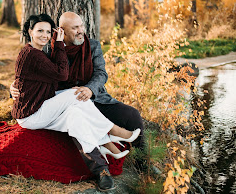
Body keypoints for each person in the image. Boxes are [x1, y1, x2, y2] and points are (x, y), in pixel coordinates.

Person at [12, 14, 141, 192]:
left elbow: (101, 74)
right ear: (62, 31)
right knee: (75, 97)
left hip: (90, 98)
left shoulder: (92, 45)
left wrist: (90, 89)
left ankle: (132, 160)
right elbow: (28, 78)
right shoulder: (46, 49)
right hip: (56, 102)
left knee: (80, 114)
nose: (81, 30)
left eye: (81, 26)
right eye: (75, 28)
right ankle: (109, 148)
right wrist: (13, 90)